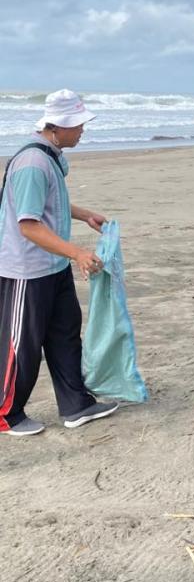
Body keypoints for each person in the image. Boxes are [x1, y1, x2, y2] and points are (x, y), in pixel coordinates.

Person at [0, 90, 118, 436]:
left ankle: (76, 404)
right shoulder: (32, 165)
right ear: (58, 126)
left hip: (52, 266)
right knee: (22, 343)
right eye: (78, 125)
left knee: (65, 332)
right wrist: (77, 253)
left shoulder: (52, 156)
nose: (82, 130)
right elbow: (29, 224)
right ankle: (7, 414)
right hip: (26, 270)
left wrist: (83, 215)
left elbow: (50, 204)